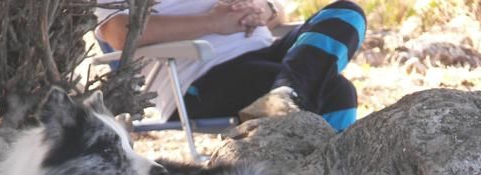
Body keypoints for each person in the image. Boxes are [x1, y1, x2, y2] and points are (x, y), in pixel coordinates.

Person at [95, 0, 366, 131]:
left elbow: (278, 12)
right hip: (201, 77)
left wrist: (264, 9)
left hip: (268, 52)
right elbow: (119, 33)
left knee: (346, 13)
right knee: (337, 92)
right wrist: (213, 23)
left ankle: (285, 98)